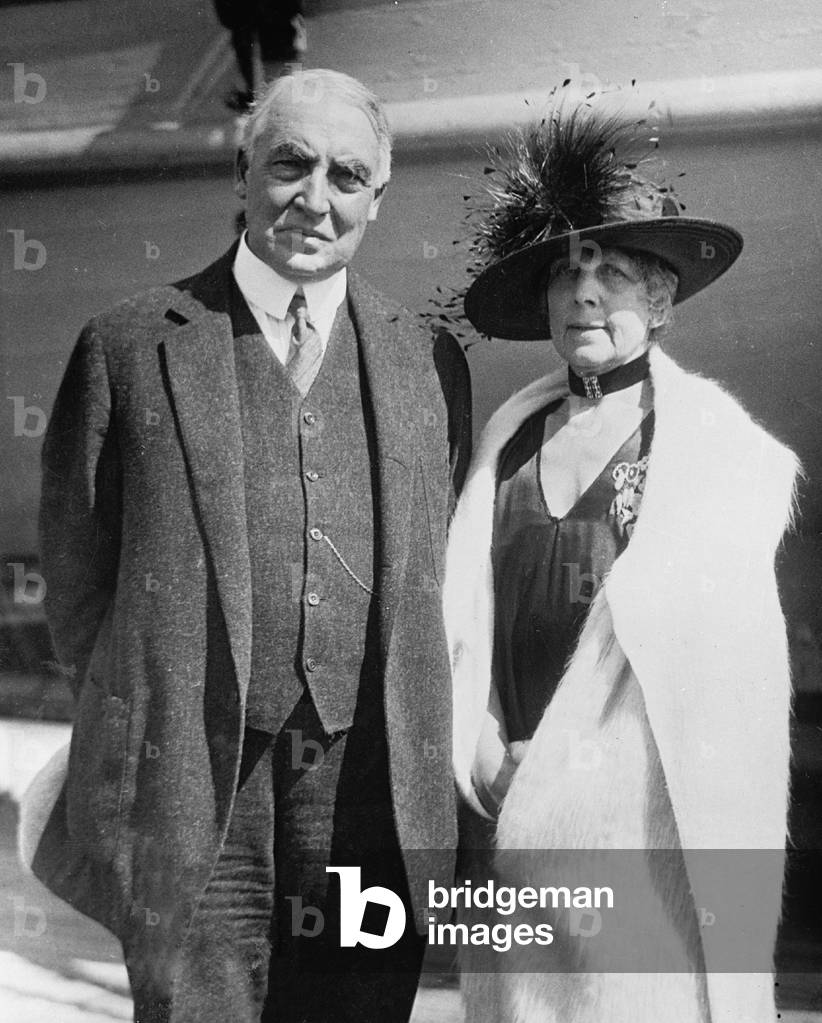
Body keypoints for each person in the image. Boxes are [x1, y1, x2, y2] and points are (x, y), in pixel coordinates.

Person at [25, 68, 471, 1023]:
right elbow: (76, 578)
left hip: (367, 786)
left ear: (379, 199)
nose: (315, 198)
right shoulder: (127, 346)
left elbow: (429, 569)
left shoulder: (426, 359)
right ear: (242, 173)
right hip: (193, 785)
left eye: (347, 176)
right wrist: (148, 712)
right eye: (289, 165)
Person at [443, 100, 798, 1023]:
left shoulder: (713, 454)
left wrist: (571, 775)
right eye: (567, 272)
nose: (585, 294)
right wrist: (481, 738)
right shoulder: (506, 445)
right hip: (507, 816)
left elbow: (720, 694)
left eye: (612, 272)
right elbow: (466, 623)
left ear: (663, 300)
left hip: (639, 833)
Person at [214, 0, 307, 111]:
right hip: (279, 41)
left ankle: (285, 105)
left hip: (280, 40)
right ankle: (286, 105)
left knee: (286, 82)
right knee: (286, 86)